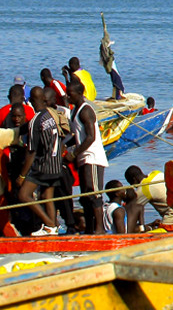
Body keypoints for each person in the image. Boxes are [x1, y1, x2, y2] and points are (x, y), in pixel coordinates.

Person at [17, 88, 61, 236]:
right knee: (47, 197)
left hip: (44, 166)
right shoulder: (50, 115)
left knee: (23, 195)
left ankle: (48, 223)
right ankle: (53, 228)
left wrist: (22, 176)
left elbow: (31, 152)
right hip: (56, 164)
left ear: (31, 100)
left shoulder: (36, 120)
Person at [67, 80, 107, 234]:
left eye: (70, 94)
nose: (67, 96)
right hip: (83, 158)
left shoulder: (86, 110)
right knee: (85, 196)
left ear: (79, 94)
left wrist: (73, 154)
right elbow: (77, 135)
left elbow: (90, 137)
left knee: (94, 193)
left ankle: (99, 229)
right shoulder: (74, 111)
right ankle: (90, 228)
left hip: (93, 157)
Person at [124, 166, 173, 232]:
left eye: (131, 183)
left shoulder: (143, 189)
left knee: (145, 237)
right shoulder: (156, 173)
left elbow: (129, 208)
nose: (134, 187)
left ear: (134, 179)